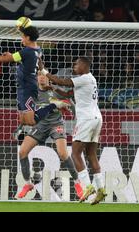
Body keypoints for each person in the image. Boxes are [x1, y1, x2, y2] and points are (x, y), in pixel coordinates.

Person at [0, 23, 70, 127]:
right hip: (22, 87)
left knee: (31, 121)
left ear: (28, 37)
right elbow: (31, 62)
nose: (21, 40)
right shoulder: (37, 49)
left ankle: (53, 105)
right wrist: (15, 58)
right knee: (23, 121)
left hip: (27, 88)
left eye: (22, 37)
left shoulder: (27, 51)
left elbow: (3, 59)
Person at [39, 57, 107, 205]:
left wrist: (44, 71)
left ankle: (87, 186)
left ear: (84, 65)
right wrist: (53, 88)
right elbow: (69, 94)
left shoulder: (84, 78)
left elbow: (63, 82)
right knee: (91, 154)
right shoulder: (90, 80)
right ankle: (101, 189)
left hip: (86, 119)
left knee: (75, 153)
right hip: (97, 118)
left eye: (76, 64)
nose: (74, 66)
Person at [15, 74, 83, 200]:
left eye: (44, 75)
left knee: (63, 153)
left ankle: (77, 182)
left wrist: (71, 110)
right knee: (22, 152)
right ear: (36, 78)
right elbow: (26, 112)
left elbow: (70, 104)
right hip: (40, 126)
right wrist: (20, 127)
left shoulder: (55, 91)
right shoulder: (32, 94)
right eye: (39, 75)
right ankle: (28, 184)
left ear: (48, 78)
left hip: (56, 124)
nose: (41, 78)